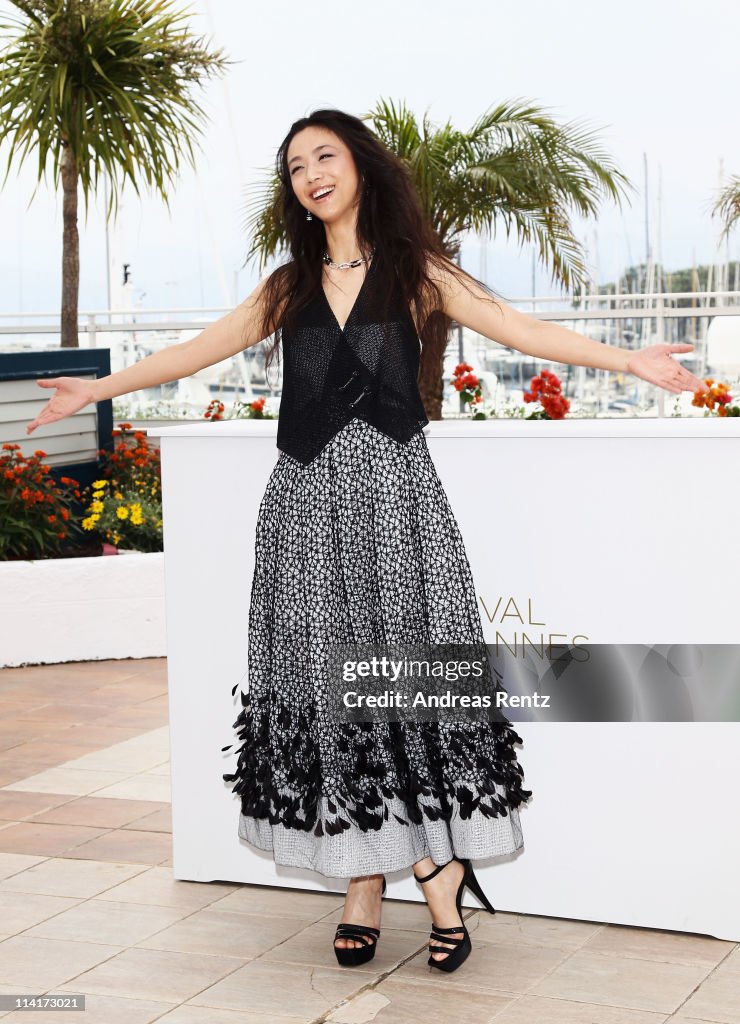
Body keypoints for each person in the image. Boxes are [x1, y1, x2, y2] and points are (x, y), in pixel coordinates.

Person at [26, 108, 708, 975]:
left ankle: (421, 875)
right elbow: (193, 352)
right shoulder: (287, 286)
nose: (312, 173)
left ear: (358, 166)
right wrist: (94, 391)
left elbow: (523, 331)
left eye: (325, 156)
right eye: (296, 166)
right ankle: (375, 882)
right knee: (324, 684)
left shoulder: (415, 272)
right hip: (307, 508)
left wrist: (626, 362)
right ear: (295, 194)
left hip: (397, 509)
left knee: (397, 681)